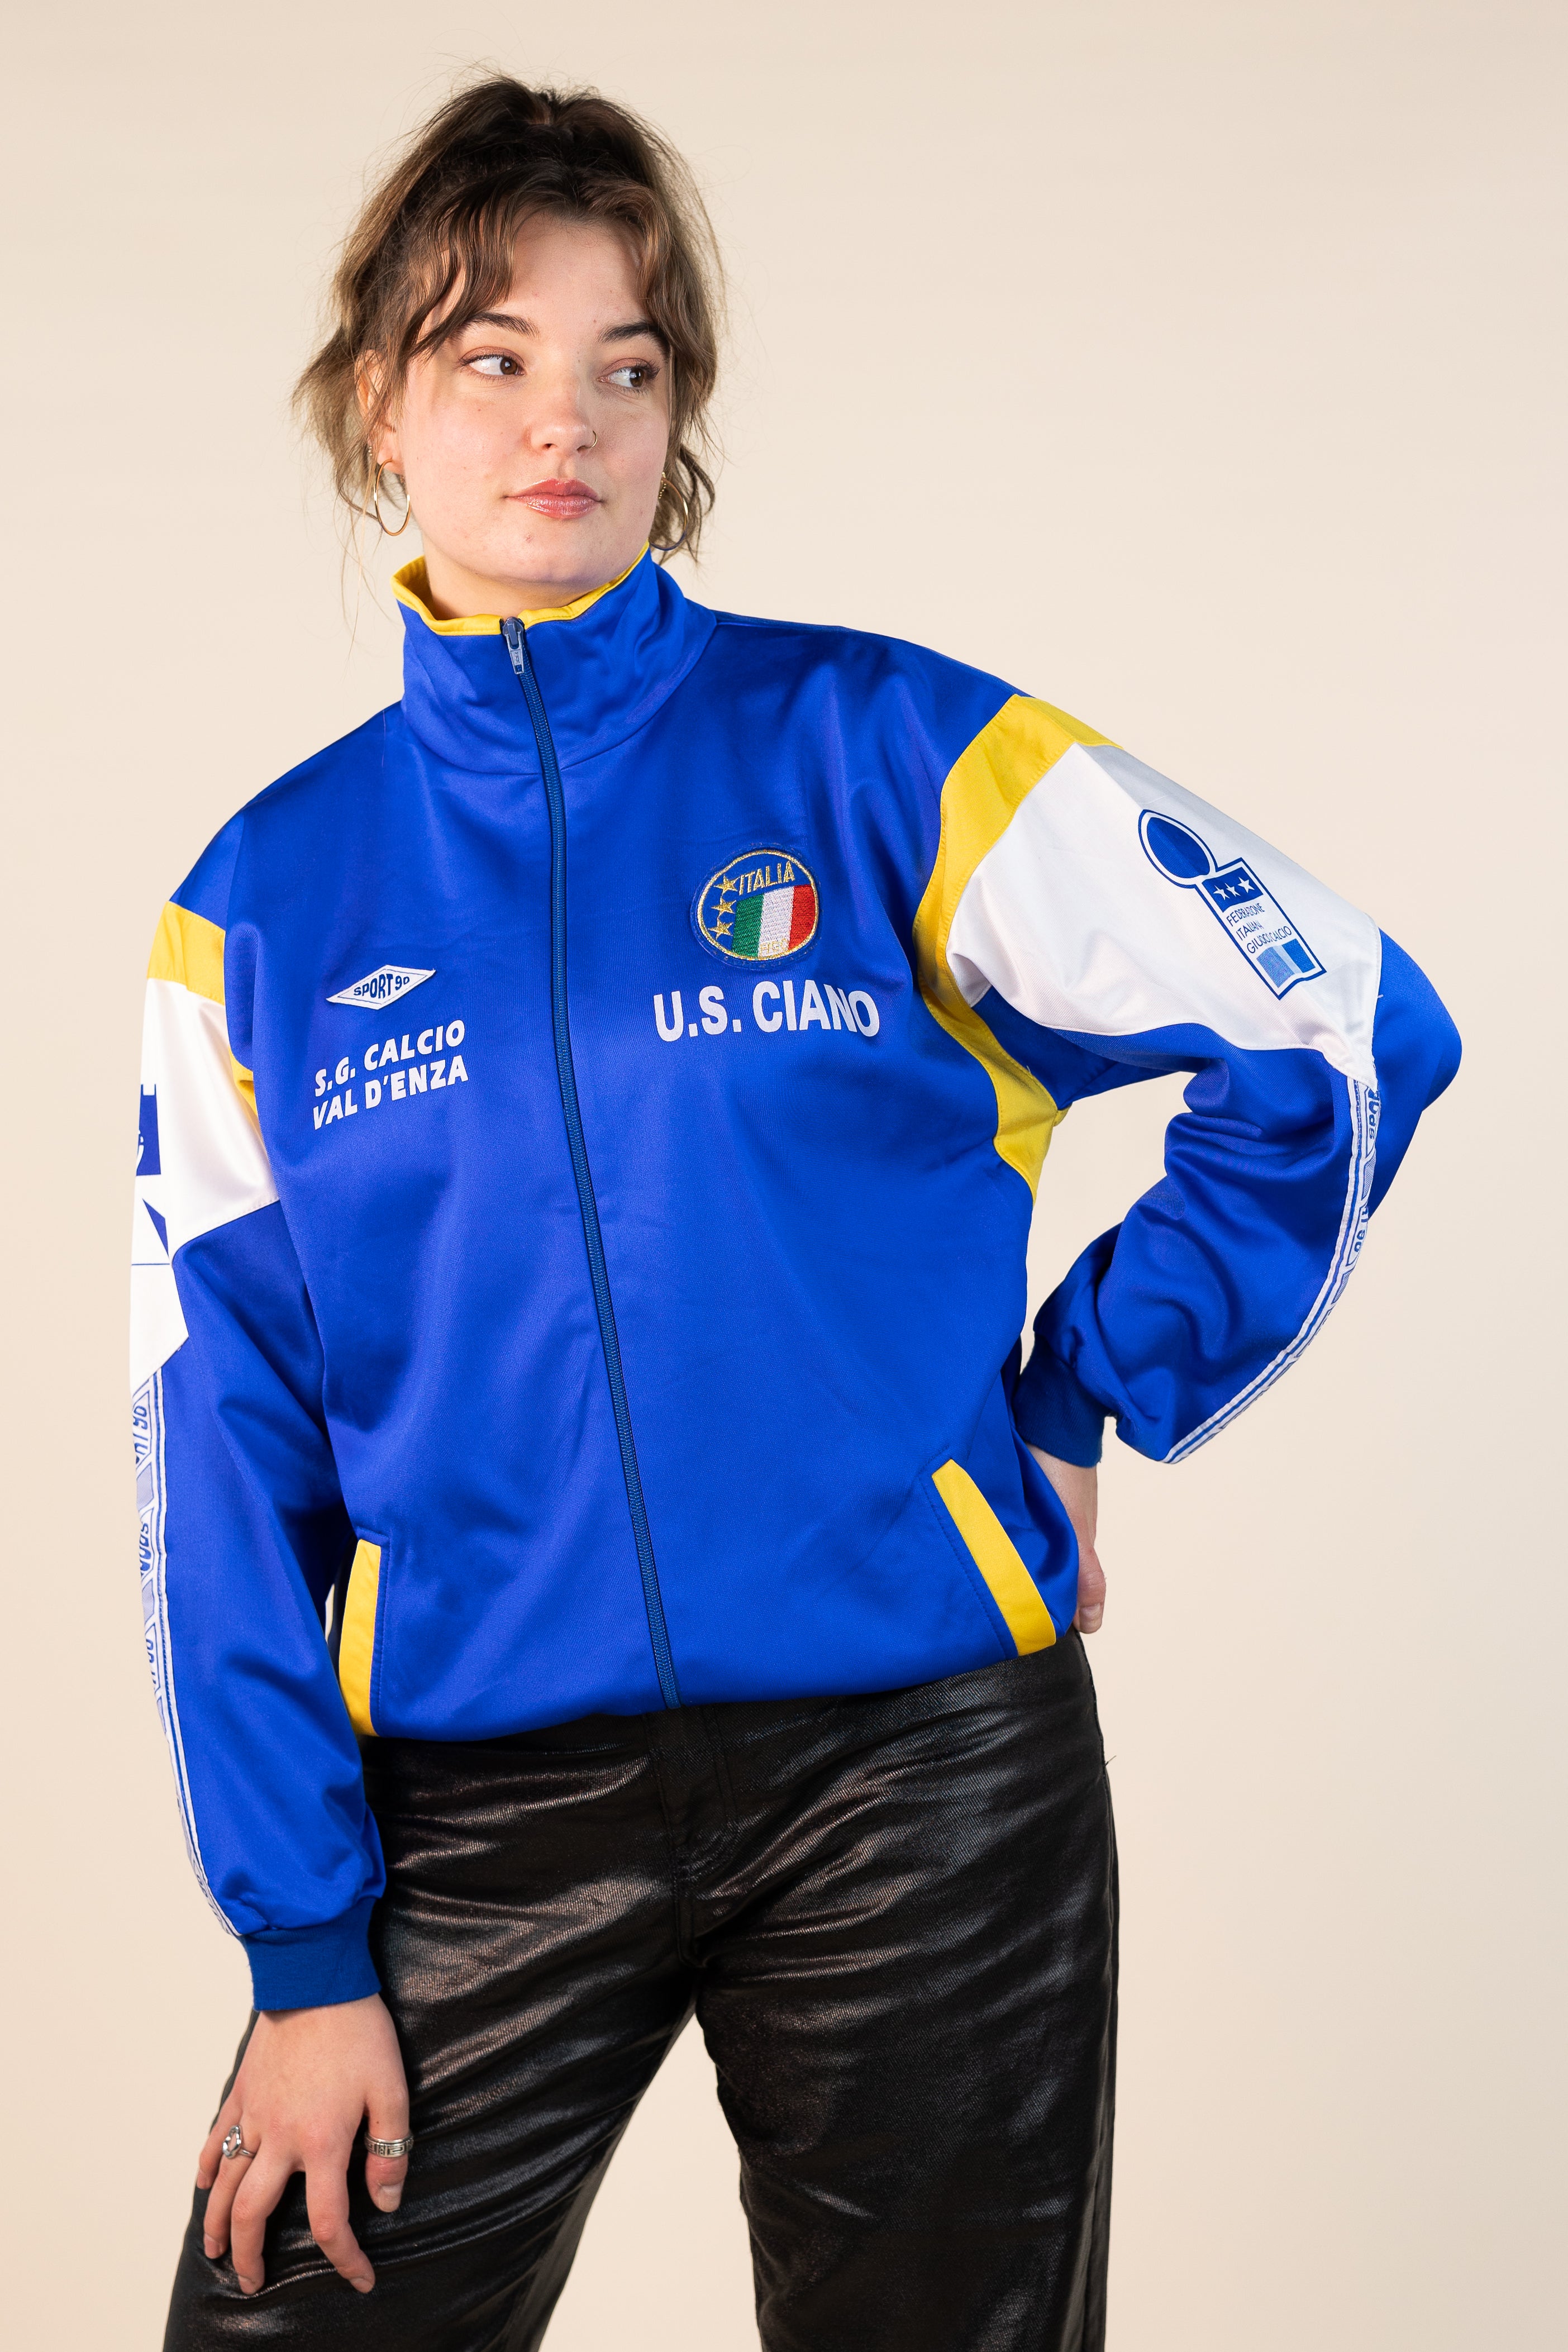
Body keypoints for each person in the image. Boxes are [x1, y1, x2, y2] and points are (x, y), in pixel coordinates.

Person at [135, 74, 1459, 2352]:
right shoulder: (257, 905)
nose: (563, 419)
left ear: (679, 416)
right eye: (492, 356)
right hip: (478, 1807)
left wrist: (1086, 1390)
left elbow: (1344, 1021)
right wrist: (302, 1949)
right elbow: (217, 1443)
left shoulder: (880, 750)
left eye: (626, 362)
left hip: (918, 1777)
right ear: (379, 406)